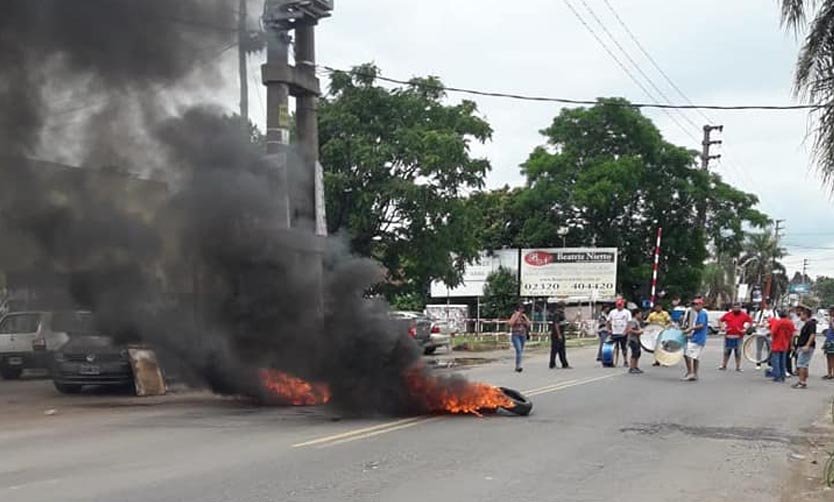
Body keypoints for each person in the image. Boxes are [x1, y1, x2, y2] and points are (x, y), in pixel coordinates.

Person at [719, 303, 752, 372]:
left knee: (738, 352)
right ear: (732, 308)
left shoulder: (744, 315)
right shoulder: (728, 314)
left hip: (739, 336)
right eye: (735, 307)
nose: (736, 309)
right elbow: (720, 320)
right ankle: (724, 365)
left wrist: (745, 329)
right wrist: (722, 327)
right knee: (726, 351)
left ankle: (738, 366)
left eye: (738, 307)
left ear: (740, 308)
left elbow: (750, 321)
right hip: (728, 335)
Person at [683, 298, 709, 382]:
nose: (694, 306)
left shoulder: (702, 313)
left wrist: (690, 329)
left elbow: (701, 325)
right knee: (695, 356)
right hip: (697, 337)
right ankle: (695, 374)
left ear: (701, 305)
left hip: (698, 338)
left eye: (696, 304)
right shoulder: (698, 314)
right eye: (694, 304)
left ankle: (690, 372)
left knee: (687, 354)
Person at [793, 306, 817, 389]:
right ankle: (803, 380)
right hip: (802, 345)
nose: (800, 316)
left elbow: (812, 334)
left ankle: (802, 382)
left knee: (801, 364)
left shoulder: (811, 323)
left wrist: (807, 345)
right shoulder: (806, 324)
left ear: (806, 315)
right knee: (803, 364)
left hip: (806, 346)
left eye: (802, 314)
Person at [769, 310, 795, 383]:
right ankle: (783, 375)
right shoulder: (790, 323)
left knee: (775, 361)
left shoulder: (778, 322)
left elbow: (773, 332)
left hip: (777, 343)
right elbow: (792, 334)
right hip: (785, 343)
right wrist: (792, 344)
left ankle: (777, 376)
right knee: (783, 361)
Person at [754, 299, 778, 370]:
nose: (768, 306)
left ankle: (769, 362)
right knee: (759, 349)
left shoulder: (774, 312)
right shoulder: (760, 312)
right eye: (766, 304)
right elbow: (755, 322)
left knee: (770, 349)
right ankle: (758, 363)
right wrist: (759, 325)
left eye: (769, 304)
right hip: (760, 332)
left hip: (769, 333)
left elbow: (777, 322)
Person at [607, 299, 632, 368]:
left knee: (624, 348)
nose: (619, 306)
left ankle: (625, 361)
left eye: (620, 305)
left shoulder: (627, 312)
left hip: (623, 332)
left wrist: (626, 331)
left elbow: (629, 322)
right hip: (614, 332)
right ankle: (614, 361)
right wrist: (609, 329)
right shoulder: (612, 312)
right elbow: (608, 321)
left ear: (623, 305)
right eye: (618, 305)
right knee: (614, 347)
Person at [509, 304, 531, 373]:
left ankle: (518, 365)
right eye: (520, 309)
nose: (521, 311)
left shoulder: (523, 316)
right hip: (516, 335)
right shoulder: (514, 316)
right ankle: (518, 366)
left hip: (523, 335)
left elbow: (529, 324)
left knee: (520, 351)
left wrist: (525, 318)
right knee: (518, 350)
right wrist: (517, 316)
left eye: (522, 309)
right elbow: (511, 323)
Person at [548, 303, 571, 369]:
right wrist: (559, 335)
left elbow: (564, 323)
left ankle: (564, 364)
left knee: (562, 350)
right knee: (555, 349)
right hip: (556, 334)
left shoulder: (562, 314)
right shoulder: (557, 314)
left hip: (561, 333)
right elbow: (556, 324)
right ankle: (552, 364)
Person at [626, 309, 644, 374]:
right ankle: (632, 367)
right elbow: (630, 330)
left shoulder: (637, 321)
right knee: (634, 354)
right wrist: (639, 332)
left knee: (638, 353)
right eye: (640, 314)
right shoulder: (633, 321)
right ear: (636, 314)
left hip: (637, 340)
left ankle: (636, 367)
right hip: (633, 339)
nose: (641, 315)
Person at [822, 307, 834, 380]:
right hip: (829, 340)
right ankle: (829, 373)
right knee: (828, 357)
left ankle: (831, 373)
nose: (829, 313)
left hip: (833, 341)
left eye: (831, 311)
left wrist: (831, 322)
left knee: (832, 358)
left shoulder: (832, 320)